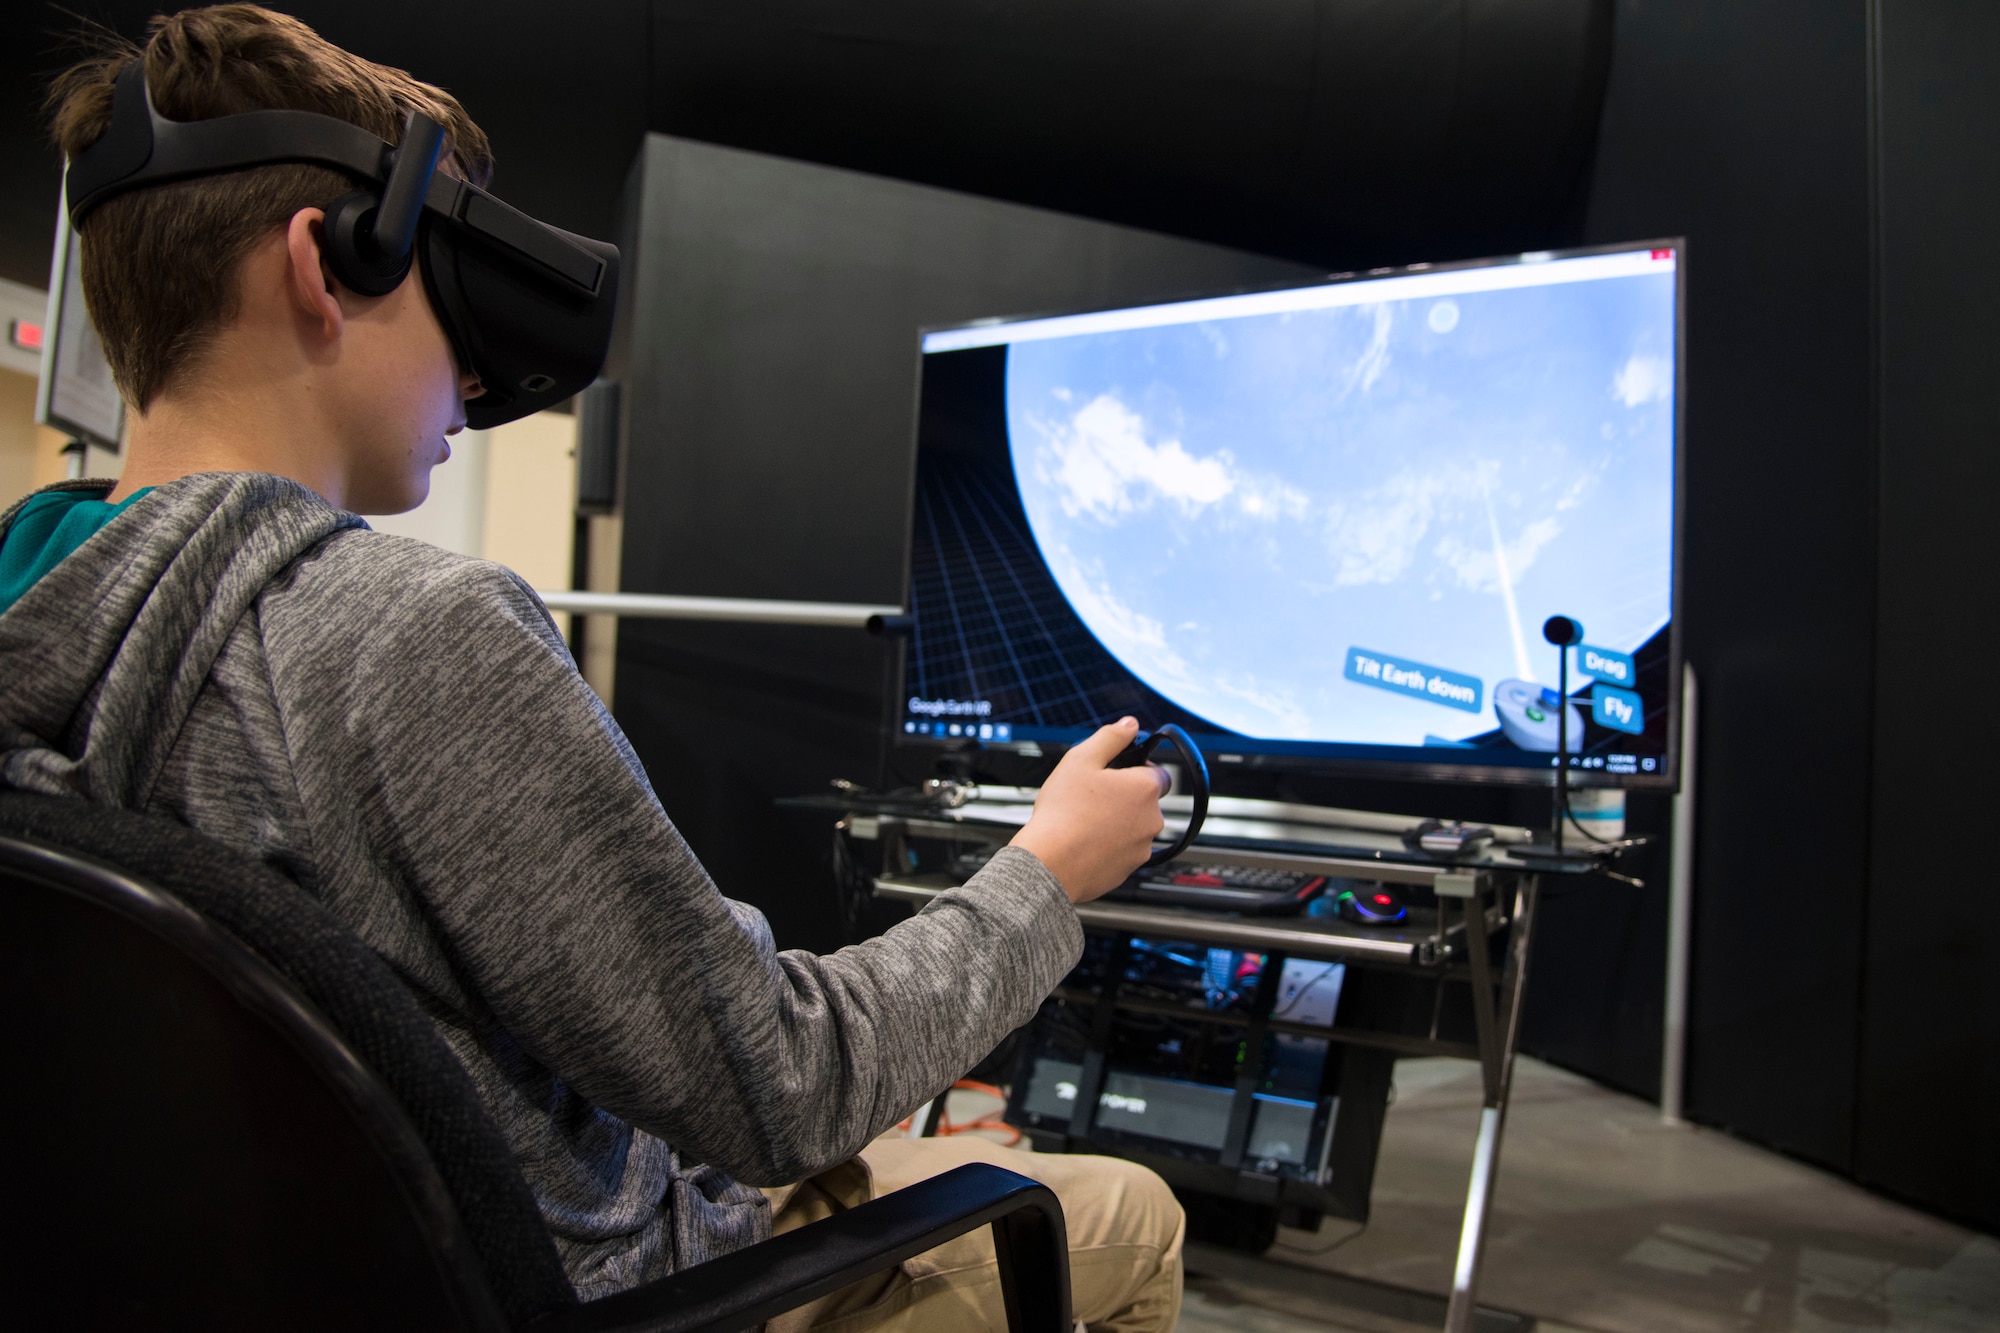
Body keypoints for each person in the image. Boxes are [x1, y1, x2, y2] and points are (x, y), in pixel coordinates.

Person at [0, 6, 1184, 1329]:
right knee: (1128, 1212)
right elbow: (779, 1081)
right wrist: (1048, 871)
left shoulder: (40, 622)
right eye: (447, 290)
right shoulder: (406, 636)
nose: (471, 371)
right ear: (319, 268)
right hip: (611, 1291)